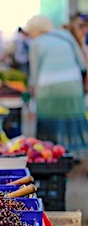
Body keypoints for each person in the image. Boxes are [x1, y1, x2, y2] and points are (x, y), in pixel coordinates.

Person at [25, 15, 88, 157]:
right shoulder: (65, 36)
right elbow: (82, 63)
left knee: (49, 121)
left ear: (35, 30)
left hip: (48, 87)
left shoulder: (36, 43)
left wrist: (31, 89)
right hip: (73, 84)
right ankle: (75, 153)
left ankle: (51, 154)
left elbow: (34, 72)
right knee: (72, 118)